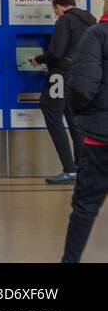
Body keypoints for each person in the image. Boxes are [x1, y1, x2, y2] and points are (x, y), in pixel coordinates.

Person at [35, 0, 95, 183]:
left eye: (55, 11)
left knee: (51, 112)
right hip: (81, 76)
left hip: (60, 75)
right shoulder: (90, 19)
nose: (56, 14)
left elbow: (56, 52)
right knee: (74, 120)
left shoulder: (64, 20)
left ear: (59, 7)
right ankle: (80, 168)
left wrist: (38, 59)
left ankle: (69, 170)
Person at [62, 17, 108, 262]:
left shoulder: (97, 34)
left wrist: (83, 116)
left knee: (85, 207)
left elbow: (81, 85)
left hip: (100, 139)